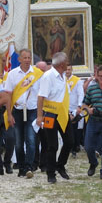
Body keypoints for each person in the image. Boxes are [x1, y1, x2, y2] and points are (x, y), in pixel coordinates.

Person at [1, 49, 42, 177]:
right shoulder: (12, 74)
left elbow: (41, 95)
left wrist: (40, 114)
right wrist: (9, 114)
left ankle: (29, 167)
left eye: (29, 58)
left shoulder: (37, 74)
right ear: (19, 59)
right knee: (18, 142)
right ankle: (21, 167)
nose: (27, 60)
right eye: (25, 58)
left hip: (32, 110)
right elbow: (8, 96)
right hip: (17, 110)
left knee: (31, 139)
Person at [36, 52, 71, 183]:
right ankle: (51, 174)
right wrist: (39, 116)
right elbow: (41, 97)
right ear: (61, 64)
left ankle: (60, 165)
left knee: (69, 141)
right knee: (52, 145)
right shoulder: (48, 76)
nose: (68, 63)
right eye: (66, 61)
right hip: (50, 114)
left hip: (63, 113)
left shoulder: (63, 76)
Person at [54, 64, 83, 178]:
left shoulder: (77, 81)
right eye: (65, 69)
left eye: (69, 69)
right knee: (53, 142)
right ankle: (51, 167)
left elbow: (80, 94)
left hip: (71, 110)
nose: (67, 71)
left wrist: (78, 107)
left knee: (70, 139)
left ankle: (62, 162)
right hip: (57, 111)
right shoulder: (57, 79)